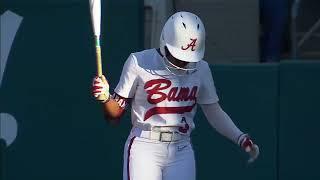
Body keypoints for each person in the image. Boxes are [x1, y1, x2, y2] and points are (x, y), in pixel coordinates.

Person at [92, 11, 260, 180]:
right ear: (165, 43)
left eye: (188, 58)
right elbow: (114, 114)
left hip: (181, 147)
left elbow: (214, 112)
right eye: (179, 56)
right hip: (144, 146)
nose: (183, 62)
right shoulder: (139, 62)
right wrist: (105, 97)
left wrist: (240, 138)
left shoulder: (201, 69)